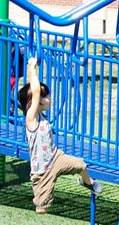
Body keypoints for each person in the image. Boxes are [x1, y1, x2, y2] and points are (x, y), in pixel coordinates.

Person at [18, 56, 102, 214]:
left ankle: (87, 182)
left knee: (81, 165)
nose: (50, 99)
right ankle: (41, 198)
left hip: (56, 158)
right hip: (42, 171)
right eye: (46, 97)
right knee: (41, 208)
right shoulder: (31, 119)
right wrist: (31, 68)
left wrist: (32, 71)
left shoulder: (41, 116)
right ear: (34, 102)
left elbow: (34, 91)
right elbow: (35, 91)